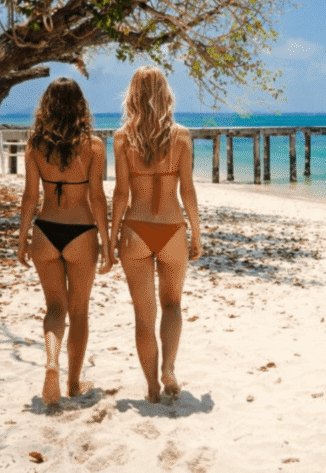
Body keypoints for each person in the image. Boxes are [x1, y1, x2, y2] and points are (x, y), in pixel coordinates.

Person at [18, 77, 113, 406]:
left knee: (55, 310)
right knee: (80, 311)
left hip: (45, 231)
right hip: (81, 233)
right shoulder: (94, 146)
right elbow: (98, 198)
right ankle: (72, 383)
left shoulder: (34, 144)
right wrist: (108, 243)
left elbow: (30, 197)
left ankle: (51, 365)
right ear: (80, 106)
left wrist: (21, 239)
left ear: (47, 105)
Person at [111, 66, 202, 404]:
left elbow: (121, 193)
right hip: (171, 227)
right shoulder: (181, 136)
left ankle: (151, 385)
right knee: (173, 304)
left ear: (133, 96)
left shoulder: (122, 138)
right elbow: (188, 191)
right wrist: (197, 233)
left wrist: (111, 235)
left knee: (143, 314)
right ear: (165, 94)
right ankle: (168, 368)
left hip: (136, 228)